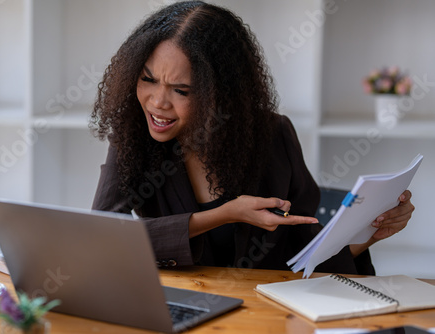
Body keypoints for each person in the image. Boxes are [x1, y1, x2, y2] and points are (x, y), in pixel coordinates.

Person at [89, 1, 414, 274]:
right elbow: (102, 238)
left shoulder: (273, 135)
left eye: (181, 90)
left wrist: (371, 234)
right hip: (179, 308)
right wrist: (224, 214)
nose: (158, 102)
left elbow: (306, 253)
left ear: (222, 94)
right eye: (147, 79)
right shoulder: (133, 135)